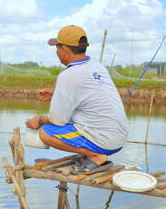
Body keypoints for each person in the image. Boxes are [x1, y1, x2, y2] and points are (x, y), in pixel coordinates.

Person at [25, 25, 128, 175]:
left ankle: (95, 156)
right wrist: (56, 93)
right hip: (119, 139)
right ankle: (89, 152)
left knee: (45, 132)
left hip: (104, 142)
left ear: (64, 50)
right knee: (70, 123)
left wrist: (39, 120)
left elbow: (57, 120)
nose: (56, 51)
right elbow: (89, 93)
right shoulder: (97, 67)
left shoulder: (68, 75)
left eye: (57, 47)